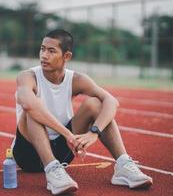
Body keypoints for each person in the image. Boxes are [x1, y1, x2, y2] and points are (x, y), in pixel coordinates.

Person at [11, 29, 153, 195]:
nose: (43, 55)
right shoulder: (27, 77)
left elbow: (111, 101)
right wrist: (68, 135)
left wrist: (94, 133)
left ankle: (123, 165)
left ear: (67, 56)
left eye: (51, 51)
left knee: (95, 104)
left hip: (62, 150)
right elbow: (28, 104)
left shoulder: (77, 80)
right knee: (32, 110)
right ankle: (52, 170)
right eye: (42, 49)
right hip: (28, 153)